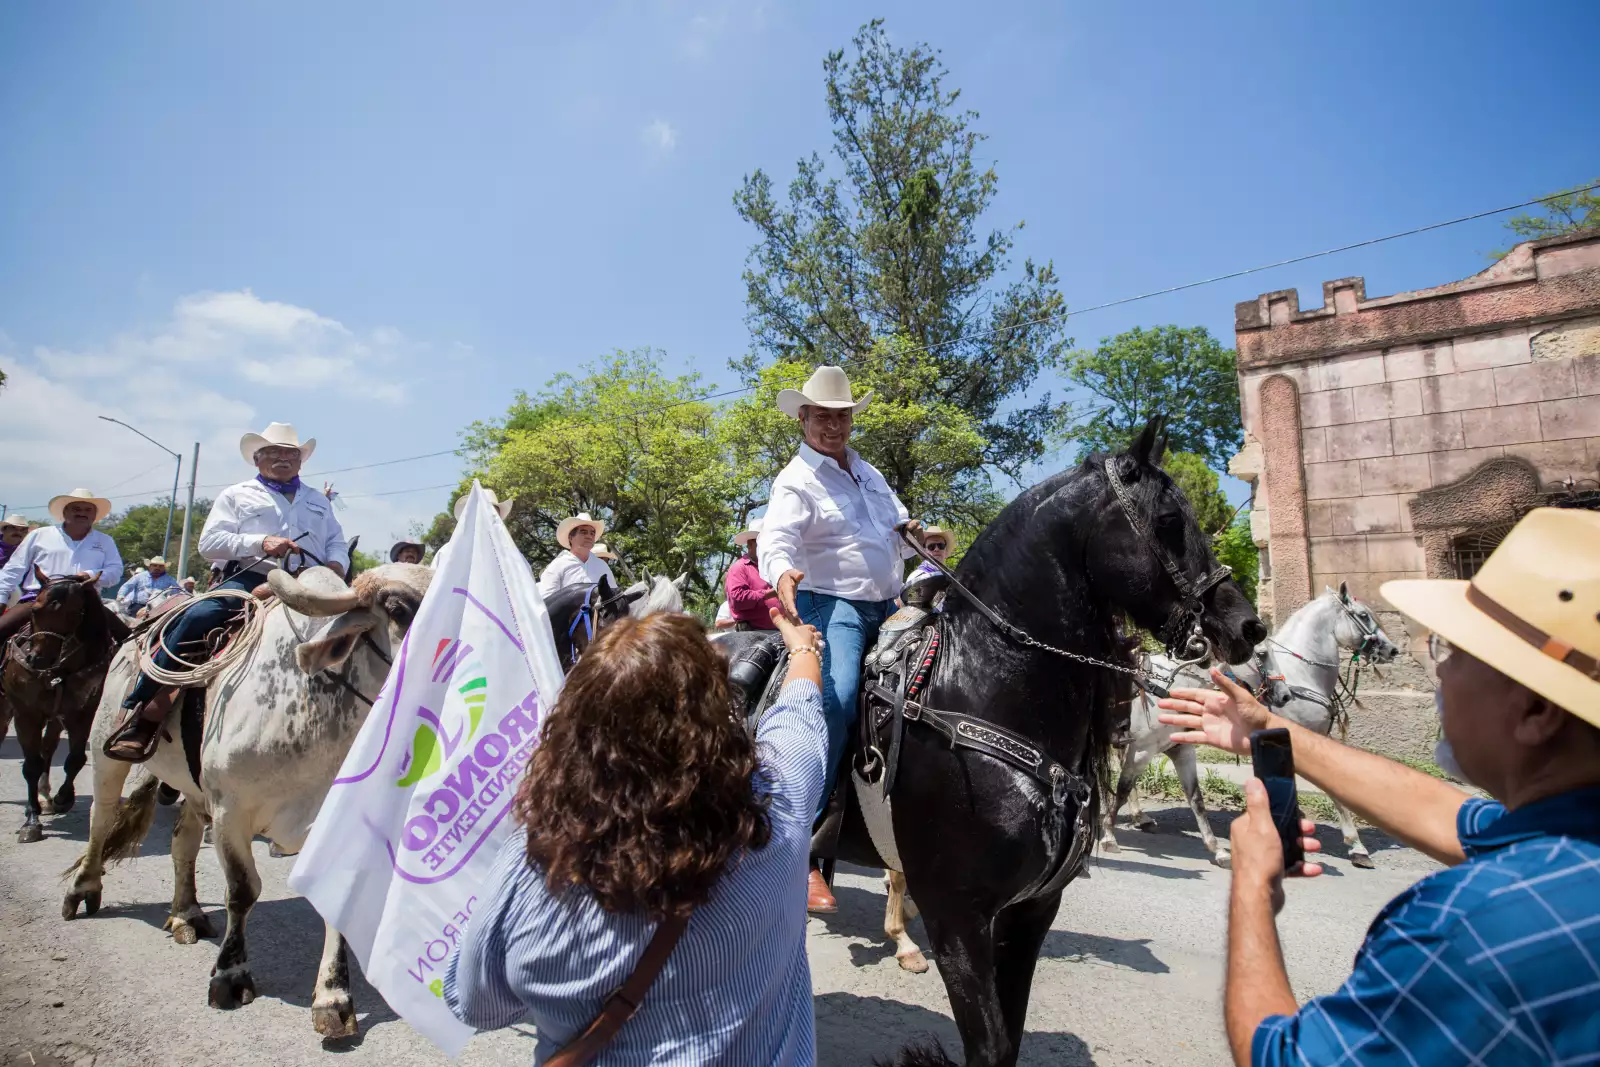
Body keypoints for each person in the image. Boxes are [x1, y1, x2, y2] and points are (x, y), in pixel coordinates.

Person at [1157, 506, 1600, 1067]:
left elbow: (1281, 1057)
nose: (1440, 671)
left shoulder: (1466, 927)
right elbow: (1447, 815)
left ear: (1536, 709)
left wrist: (1251, 889)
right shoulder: (1564, 839)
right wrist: (1271, 727)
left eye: (1457, 652)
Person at [445, 607, 829, 1065]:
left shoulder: (531, 864)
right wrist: (801, 648)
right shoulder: (781, 798)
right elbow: (798, 714)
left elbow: (474, 1004)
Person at [759, 365, 922, 912]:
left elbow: (899, 530)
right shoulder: (794, 480)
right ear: (802, 418)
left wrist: (917, 542)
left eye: (842, 416)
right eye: (823, 416)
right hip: (831, 603)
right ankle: (797, 844)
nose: (834, 425)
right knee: (838, 697)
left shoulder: (869, 472)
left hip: (889, 602)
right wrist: (782, 574)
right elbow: (777, 538)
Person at [105, 422, 347, 762]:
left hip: (311, 581)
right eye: (274, 453)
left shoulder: (318, 501)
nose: (283, 458)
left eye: (290, 453)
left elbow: (336, 540)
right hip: (252, 578)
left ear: (300, 460)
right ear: (257, 458)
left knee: (359, 626)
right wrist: (260, 542)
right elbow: (209, 544)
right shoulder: (236, 494)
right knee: (200, 616)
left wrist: (337, 564)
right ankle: (142, 711)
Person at [0, 489, 124, 644]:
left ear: (94, 515)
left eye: (87, 510)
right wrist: (2, 597)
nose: (82, 513)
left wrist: (90, 575)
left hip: (86, 603)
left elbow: (116, 570)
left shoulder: (105, 541)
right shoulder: (40, 535)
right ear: (65, 512)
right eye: (76, 509)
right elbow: (14, 569)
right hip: (38, 600)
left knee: (127, 639)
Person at [432, 489, 514, 572]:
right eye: (483, 514)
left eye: (494, 517)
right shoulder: (447, 553)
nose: (489, 522)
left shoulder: (511, 557)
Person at [538, 511, 617, 598]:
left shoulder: (603, 566)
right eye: (583, 532)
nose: (589, 536)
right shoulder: (557, 565)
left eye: (592, 533)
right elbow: (546, 602)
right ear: (571, 537)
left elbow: (614, 597)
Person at [725, 519, 777, 631]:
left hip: (777, 629)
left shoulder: (771, 566)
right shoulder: (739, 568)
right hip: (753, 632)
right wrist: (769, 594)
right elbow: (738, 599)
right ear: (750, 544)